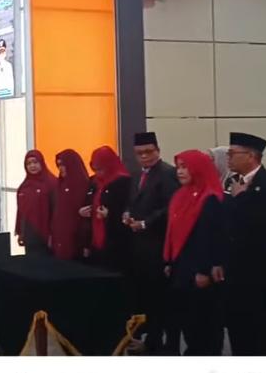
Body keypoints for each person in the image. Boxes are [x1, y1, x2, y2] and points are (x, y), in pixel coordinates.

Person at [220, 132, 266, 356]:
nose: (228, 158)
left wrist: (242, 199)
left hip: (260, 274)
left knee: (263, 332)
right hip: (233, 272)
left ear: (251, 156)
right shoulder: (232, 182)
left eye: (232, 153)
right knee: (238, 331)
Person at [164, 150, 226, 355]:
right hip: (181, 268)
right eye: (178, 167)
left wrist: (204, 270)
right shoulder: (180, 195)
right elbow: (173, 232)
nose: (180, 172)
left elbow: (211, 238)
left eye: (185, 167)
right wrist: (169, 261)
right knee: (188, 322)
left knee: (204, 324)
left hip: (200, 271)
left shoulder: (210, 198)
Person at [124, 131, 180, 354]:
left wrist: (146, 223)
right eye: (140, 153)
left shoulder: (168, 173)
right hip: (138, 246)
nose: (144, 157)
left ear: (157, 150)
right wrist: (127, 214)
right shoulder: (137, 175)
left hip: (157, 245)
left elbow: (170, 207)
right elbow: (132, 202)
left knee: (158, 298)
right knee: (143, 295)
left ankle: (156, 342)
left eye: (148, 152)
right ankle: (144, 338)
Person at [80, 146, 132, 268]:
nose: (98, 173)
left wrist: (110, 214)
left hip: (115, 241)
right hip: (95, 239)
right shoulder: (93, 182)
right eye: (95, 169)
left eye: (100, 169)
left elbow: (128, 209)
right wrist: (83, 211)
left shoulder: (123, 182)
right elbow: (88, 202)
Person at [15, 149, 58, 255]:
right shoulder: (24, 186)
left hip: (46, 236)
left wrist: (53, 235)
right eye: (28, 163)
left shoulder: (52, 183)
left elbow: (56, 211)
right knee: (31, 262)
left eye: (35, 162)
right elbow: (21, 211)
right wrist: (20, 232)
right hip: (29, 234)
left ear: (41, 163)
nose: (32, 166)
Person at [51, 149, 90, 261]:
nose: (60, 168)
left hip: (76, 237)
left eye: (63, 165)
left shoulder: (83, 184)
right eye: (58, 165)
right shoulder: (59, 185)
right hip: (59, 236)